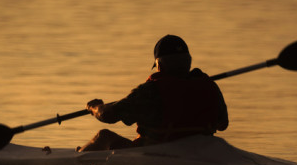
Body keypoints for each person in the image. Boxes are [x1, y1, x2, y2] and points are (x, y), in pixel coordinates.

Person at [79, 35, 228, 151]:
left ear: (159, 65)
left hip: (159, 152)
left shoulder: (150, 91)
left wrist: (94, 107)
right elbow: (223, 124)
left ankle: (78, 157)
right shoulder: (209, 86)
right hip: (202, 152)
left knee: (103, 136)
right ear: (188, 62)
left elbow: (107, 115)